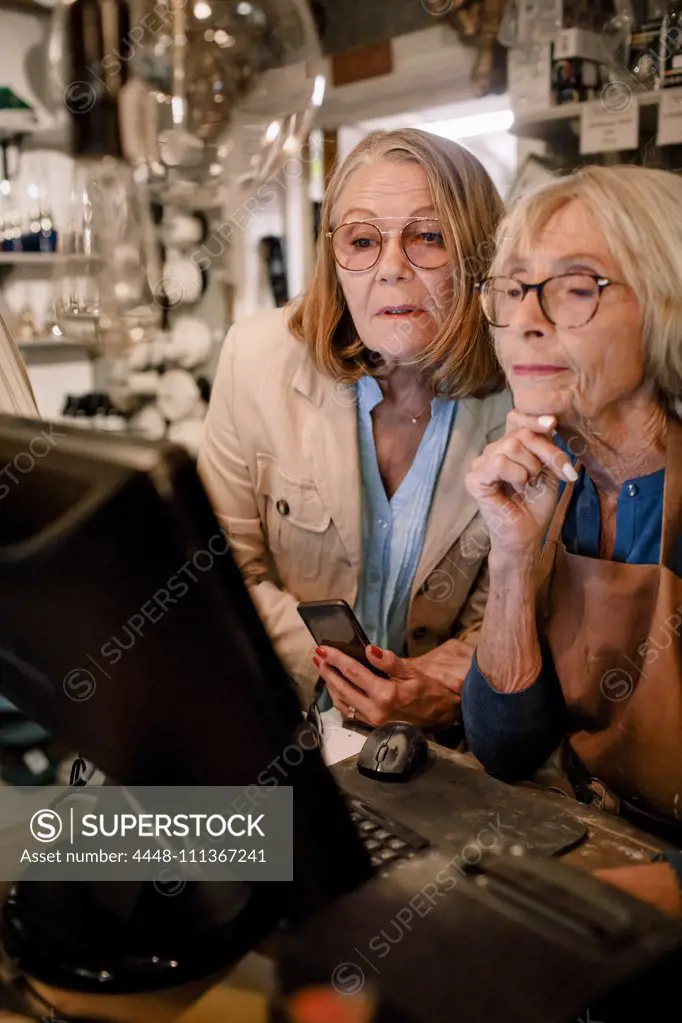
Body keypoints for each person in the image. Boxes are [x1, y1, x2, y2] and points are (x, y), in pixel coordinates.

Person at [198, 128, 510, 732]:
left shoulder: (526, 386)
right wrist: (340, 677)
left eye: (429, 236)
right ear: (333, 259)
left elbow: (516, 611)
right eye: (363, 240)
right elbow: (220, 573)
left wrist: (439, 689)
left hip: (454, 744)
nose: (391, 270)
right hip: (285, 719)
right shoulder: (255, 357)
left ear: (479, 254)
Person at [457, 164, 682, 915]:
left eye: (576, 285)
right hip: (593, 840)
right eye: (514, 286)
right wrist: (515, 556)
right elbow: (506, 747)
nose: (526, 317)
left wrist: (583, 902)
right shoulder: (551, 478)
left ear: (666, 305)